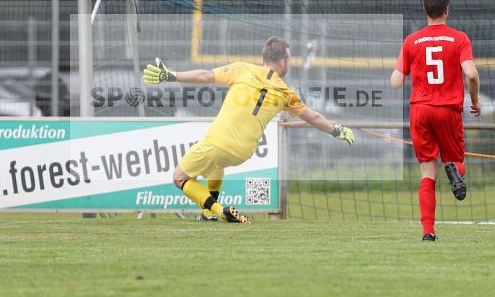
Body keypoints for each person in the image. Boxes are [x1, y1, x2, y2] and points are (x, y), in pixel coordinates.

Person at [143, 36, 356, 223]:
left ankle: (219, 210)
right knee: (216, 165)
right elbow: (313, 117)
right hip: (243, 152)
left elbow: (204, 76)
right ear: (283, 62)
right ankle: (209, 214)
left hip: (218, 142)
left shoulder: (242, 69)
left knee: (179, 177)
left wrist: (171, 75)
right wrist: (336, 130)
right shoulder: (286, 92)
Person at [390, 0, 480, 241]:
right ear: (447, 10)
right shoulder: (460, 38)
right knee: (455, 162)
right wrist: (475, 101)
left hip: (420, 110)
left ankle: (428, 232)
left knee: (427, 173)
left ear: (424, 10)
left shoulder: (411, 41)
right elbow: (471, 74)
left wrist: (408, 70)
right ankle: (452, 168)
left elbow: (395, 82)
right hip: (448, 110)